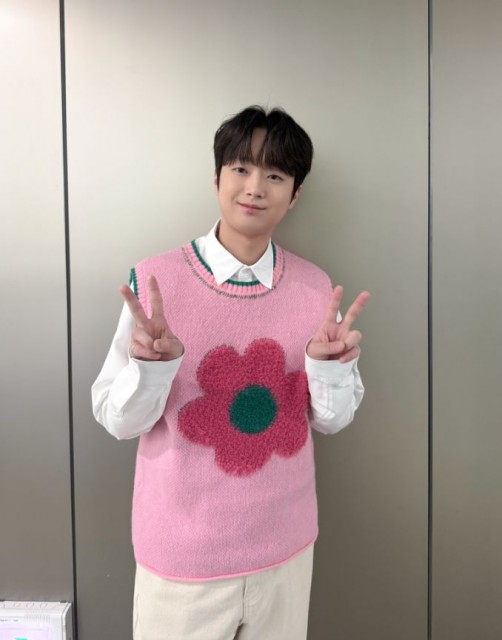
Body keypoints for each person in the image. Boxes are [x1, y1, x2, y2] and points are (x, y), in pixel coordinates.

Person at [92, 105, 370, 640]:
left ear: (295, 194)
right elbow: (117, 419)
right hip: (182, 564)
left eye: (275, 175)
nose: (255, 187)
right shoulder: (155, 282)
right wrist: (151, 370)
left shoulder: (316, 288)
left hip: (285, 553)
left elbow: (331, 420)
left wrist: (327, 367)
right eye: (241, 168)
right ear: (216, 177)